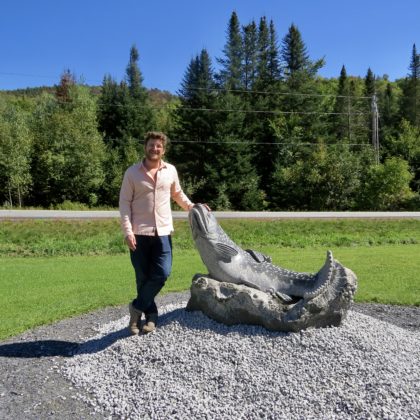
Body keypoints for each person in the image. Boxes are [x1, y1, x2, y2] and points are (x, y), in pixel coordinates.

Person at [119, 131, 195, 335]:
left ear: (163, 149)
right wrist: (127, 232)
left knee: (162, 273)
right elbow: (124, 203)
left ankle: (135, 308)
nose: (155, 148)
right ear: (145, 147)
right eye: (151, 145)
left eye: (158, 146)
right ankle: (151, 317)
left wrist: (193, 208)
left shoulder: (170, 170)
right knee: (143, 278)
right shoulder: (132, 173)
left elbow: (177, 194)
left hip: (162, 233)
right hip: (138, 234)